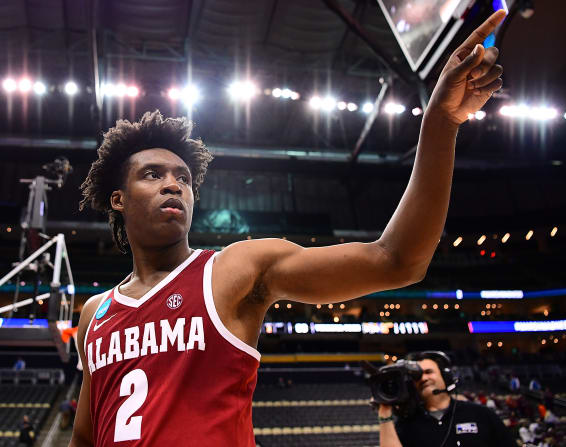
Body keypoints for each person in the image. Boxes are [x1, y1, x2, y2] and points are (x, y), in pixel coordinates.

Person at [70, 10, 508, 447]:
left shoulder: (235, 269)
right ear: (117, 199)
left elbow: (397, 261)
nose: (172, 184)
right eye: (152, 175)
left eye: (183, 177)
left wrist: (442, 123)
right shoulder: (95, 314)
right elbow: (86, 440)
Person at [378, 352, 516, 447]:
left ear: (446, 376)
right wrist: (384, 412)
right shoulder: (406, 425)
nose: (423, 378)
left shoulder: (481, 415)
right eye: (417, 376)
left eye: (428, 372)